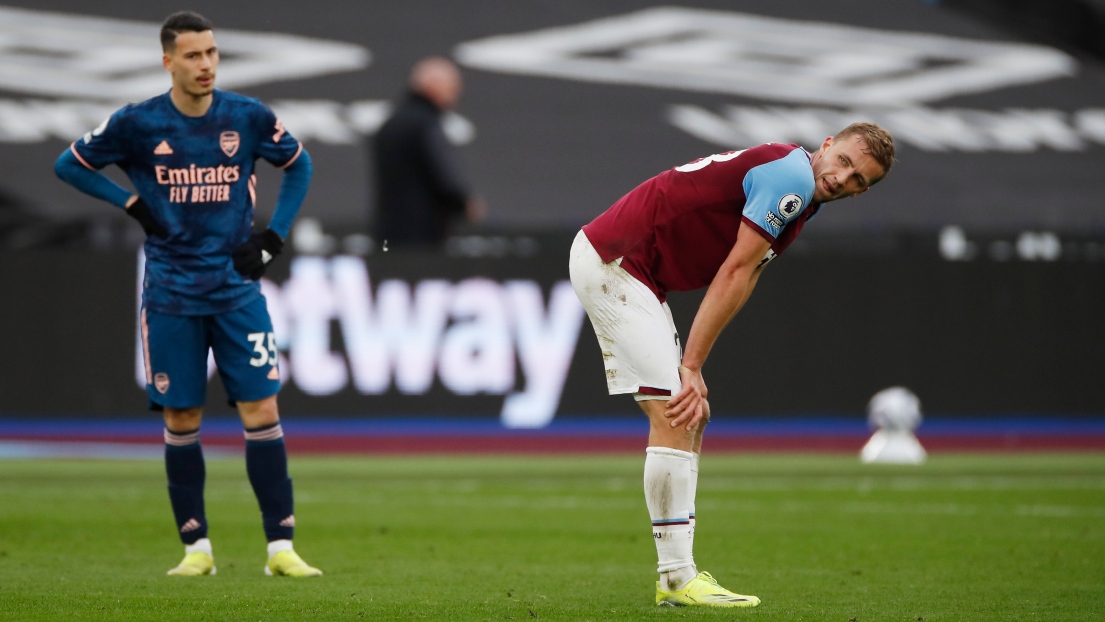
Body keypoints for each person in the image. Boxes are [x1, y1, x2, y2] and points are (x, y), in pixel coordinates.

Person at [569, 123, 895, 607]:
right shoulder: (792, 180)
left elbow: (744, 277)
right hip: (617, 259)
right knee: (676, 410)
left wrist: (693, 367)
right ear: (826, 145)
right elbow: (735, 271)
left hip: (634, 267)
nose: (845, 180)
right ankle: (677, 580)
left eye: (859, 182)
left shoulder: (797, 189)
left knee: (687, 414)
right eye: (845, 162)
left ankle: (677, 578)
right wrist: (692, 366)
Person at [54, 11, 321, 578]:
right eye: (193, 56)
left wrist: (273, 238)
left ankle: (281, 549)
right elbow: (69, 165)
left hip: (235, 290)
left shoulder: (246, 117)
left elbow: (299, 165)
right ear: (168, 61)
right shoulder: (136, 123)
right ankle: (196, 550)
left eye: (212, 53)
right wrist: (128, 202)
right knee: (182, 417)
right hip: (172, 293)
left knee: (263, 408)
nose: (205, 65)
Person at [372, 56, 486, 248]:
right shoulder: (426, 125)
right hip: (423, 237)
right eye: (452, 86)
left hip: (388, 233)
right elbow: (443, 172)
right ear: (433, 85)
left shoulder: (389, 124)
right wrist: (464, 204)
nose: (457, 93)